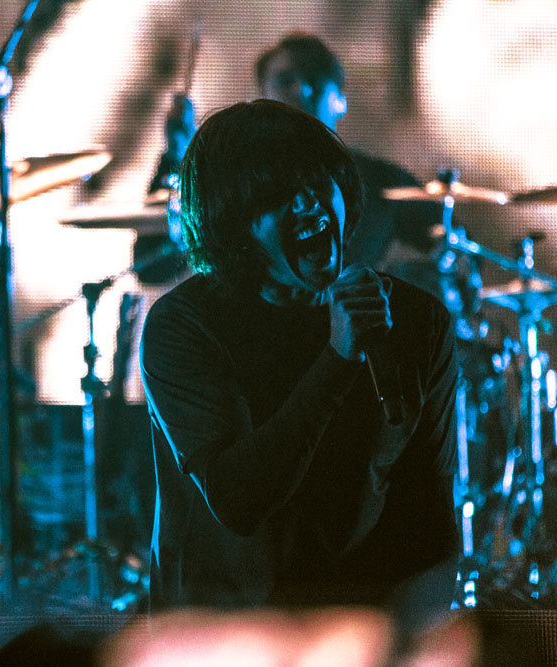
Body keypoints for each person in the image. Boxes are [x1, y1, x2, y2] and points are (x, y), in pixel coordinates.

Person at [139, 99, 459, 630]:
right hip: (223, 633)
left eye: (316, 181)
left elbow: (433, 520)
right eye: (277, 195)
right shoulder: (185, 326)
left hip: (362, 631)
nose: (308, 203)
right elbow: (240, 502)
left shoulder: (416, 321)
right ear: (232, 226)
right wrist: (338, 358)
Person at [254, 33, 441, 275]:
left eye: (314, 79)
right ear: (261, 98)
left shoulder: (380, 181)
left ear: (341, 101)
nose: (302, 90)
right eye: (286, 81)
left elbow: (453, 244)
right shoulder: (236, 179)